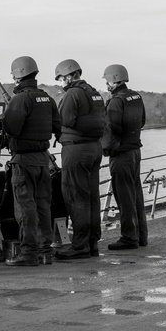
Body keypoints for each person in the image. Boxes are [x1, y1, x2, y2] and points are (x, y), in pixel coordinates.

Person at [0, 55, 61, 266]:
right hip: (43, 160)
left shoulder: (20, 99)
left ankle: (28, 252)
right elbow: (56, 126)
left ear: (17, 75)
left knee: (25, 207)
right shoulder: (47, 98)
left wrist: (4, 119)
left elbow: (12, 129)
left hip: (24, 161)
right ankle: (45, 251)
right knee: (44, 206)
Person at [52, 59, 106, 261]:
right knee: (92, 197)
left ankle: (80, 245)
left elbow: (64, 121)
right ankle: (92, 243)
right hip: (94, 148)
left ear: (68, 76)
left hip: (76, 151)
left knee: (75, 196)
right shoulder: (94, 93)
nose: (60, 83)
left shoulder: (72, 95)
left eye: (60, 79)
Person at [100, 64, 147, 249]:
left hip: (121, 154)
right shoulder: (136, 96)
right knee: (136, 195)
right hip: (135, 150)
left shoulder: (116, 101)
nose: (106, 84)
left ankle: (129, 238)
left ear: (114, 79)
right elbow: (142, 121)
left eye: (107, 81)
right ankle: (141, 236)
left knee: (124, 197)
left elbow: (112, 128)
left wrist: (106, 148)